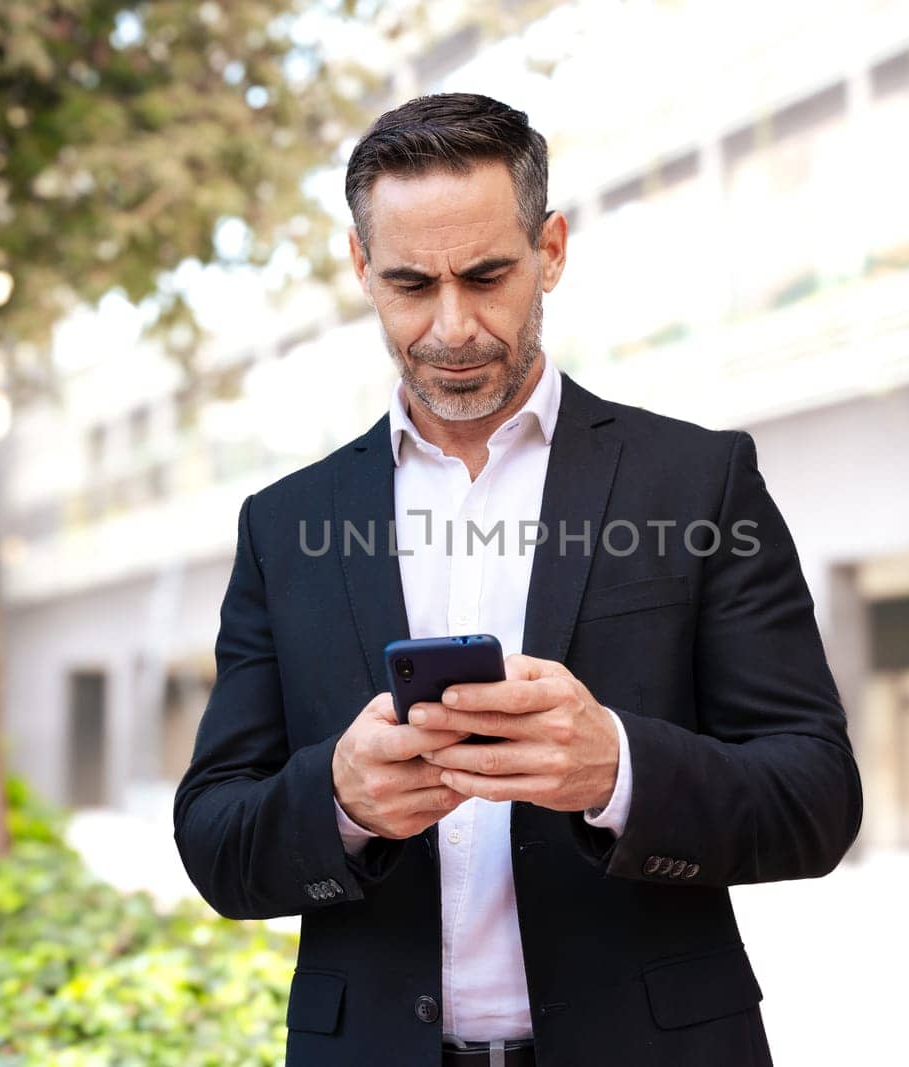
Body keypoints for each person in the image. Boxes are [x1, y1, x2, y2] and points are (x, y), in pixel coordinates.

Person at [173, 92, 863, 1067]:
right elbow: (213, 837)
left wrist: (617, 768)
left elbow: (816, 797)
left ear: (550, 250)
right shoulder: (284, 524)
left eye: (487, 274)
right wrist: (340, 796)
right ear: (361, 267)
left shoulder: (699, 482)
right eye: (411, 283)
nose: (452, 326)